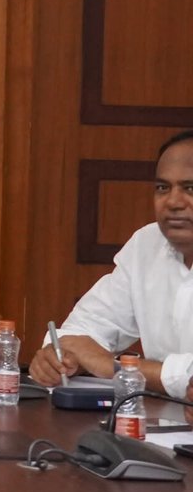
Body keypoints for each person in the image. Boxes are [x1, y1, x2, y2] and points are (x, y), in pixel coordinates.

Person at [31, 130, 193, 398]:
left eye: (190, 188)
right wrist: (61, 359)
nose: (173, 202)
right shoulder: (146, 244)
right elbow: (80, 333)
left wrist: (114, 367)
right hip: (160, 417)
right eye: (162, 188)